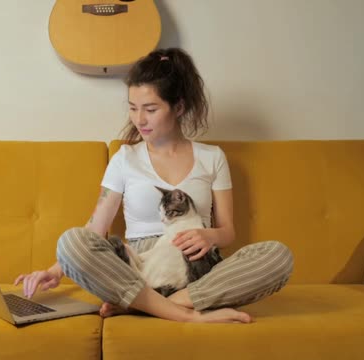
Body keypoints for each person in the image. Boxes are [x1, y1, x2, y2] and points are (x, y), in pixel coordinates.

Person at [15, 48, 294, 323]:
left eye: (150, 109)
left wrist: (210, 237)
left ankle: (158, 305)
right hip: (136, 269)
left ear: (179, 107)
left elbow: (228, 231)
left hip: (197, 270)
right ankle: (187, 315)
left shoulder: (212, 158)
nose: (139, 119)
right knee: (70, 242)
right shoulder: (124, 159)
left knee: (279, 256)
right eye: (133, 108)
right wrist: (55, 270)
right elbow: (95, 229)